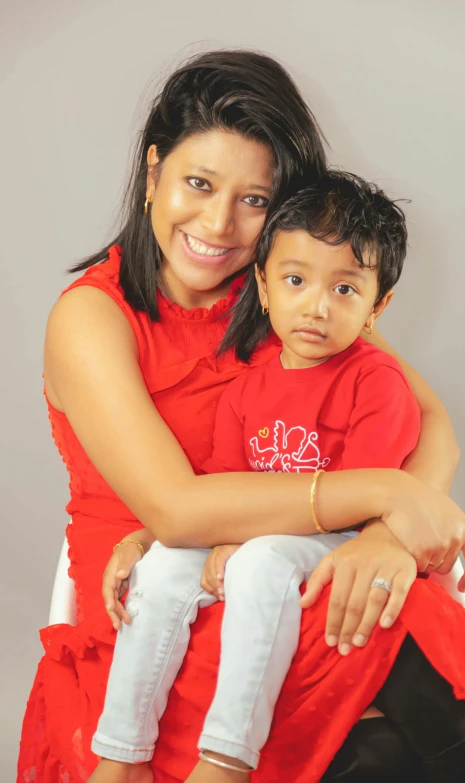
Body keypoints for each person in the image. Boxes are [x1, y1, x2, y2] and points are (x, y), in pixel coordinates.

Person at [16, 50, 465, 783]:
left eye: (254, 200)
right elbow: (179, 509)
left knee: (377, 603)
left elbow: (429, 421)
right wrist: (390, 497)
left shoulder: (288, 290)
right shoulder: (93, 318)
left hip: (266, 562)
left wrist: (386, 540)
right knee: (384, 632)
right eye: (197, 183)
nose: (218, 223)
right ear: (152, 173)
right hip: (157, 595)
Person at [89, 170, 421, 781]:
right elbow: (222, 487)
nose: (317, 306)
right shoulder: (248, 389)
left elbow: (357, 498)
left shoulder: (377, 382)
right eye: (296, 281)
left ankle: (225, 757)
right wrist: (144, 539)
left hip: (332, 538)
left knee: (260, 560)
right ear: (264, 290)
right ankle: (122, 752)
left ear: (378, 306)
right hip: (256, 532)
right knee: (162, 568)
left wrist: (242, 538)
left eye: (345, 290)